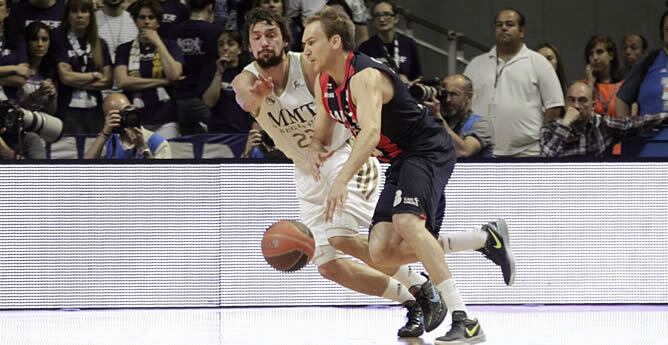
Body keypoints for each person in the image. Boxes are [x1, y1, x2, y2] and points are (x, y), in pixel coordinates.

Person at [303, 7, 515, 344]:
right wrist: (314, 146)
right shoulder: (324, 83)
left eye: (312, 41)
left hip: (426, 147)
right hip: (401, 159)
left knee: (407, 223)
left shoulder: (364, 76)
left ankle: (466, 319)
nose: (307, 49)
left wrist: (341, 180)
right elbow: (322, 129)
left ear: (335, 41)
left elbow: (370, 134)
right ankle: (484, 239)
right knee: (382, 252)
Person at [232, 8, 448, 338]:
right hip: (306, 171)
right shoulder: (246, 77)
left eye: (271, 35)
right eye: (256, 37)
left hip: (345, 157)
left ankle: (433, 280)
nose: (264, 42)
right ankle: (413, 298)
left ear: (286, 39)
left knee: (347, 238)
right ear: (248, 45)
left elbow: (353, 80)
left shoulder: (307, 64)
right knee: (329, 266)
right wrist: (255, 96)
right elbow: (244, 96)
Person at [464, 8, 563, 157]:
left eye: (509, 24)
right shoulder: (476, 64)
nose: (503, 28)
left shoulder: (539, 62)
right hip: (481, 150)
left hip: (528, 151)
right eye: (499, 25)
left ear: (522, 31)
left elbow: (554, 107)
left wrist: (539, 137)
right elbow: (463, 103)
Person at [541, 81, 668, 158]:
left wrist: (664, 116)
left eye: (582, 100)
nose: (576, 105)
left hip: (596, 190)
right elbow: (545, 160)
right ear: (565, 103)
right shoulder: (549, 130)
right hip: (563, 189)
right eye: (571, 100)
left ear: (593, 106)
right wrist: (565, 124)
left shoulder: (603, 125)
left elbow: (634, 123)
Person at [114, 0, 183, 139]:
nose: (146, 22)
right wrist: (162, 82)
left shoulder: (170, 46)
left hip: (166, 118)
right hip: (135, 119)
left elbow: (174, 74)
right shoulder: (124, 49)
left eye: (151, 18)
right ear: (135, 21)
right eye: (142, 17)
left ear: (158, 22)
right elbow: (122, 81)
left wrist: (157, 42)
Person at [54, 0, 113, 135]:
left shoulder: (100, 44)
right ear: (68, 16)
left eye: (84, 11)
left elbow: (108, 80)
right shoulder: (59, 40)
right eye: (74, 11)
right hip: (67, 111)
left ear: (91, 15)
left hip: (94, 111)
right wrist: (94, 75)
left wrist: (77, 81)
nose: (79, 16)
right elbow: (66, 78)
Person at [616, 10, 668, 157]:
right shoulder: (650, 61)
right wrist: (627, 133)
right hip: (650, 146)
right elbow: (622, 98)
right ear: (662, 33)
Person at [169, 0, 222, 135]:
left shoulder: (173, 32)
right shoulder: (216, 31)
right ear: (210, 6)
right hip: (205, 101)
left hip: (177, 99)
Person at [424, 74, 494, 158]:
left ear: (468, 97)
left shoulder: (481, 124)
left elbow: (463, 151)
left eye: (454, 94)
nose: (447, 100)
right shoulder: (433, 121)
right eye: (445, 94)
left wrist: (437, 115)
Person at [84, 92, 171, 158]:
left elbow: (160, 178)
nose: (123, 117)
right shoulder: (108, 141)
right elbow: (86, 169)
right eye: (116, 115)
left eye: (126, 111)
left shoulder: (158, 143)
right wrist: (104, 134)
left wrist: (143, 149)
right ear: (107, 118)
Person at [358, 0, 421, 84]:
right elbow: (360, 80)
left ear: (396, 19)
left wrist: (409, 83)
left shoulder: (409, 43)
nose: (381, 19)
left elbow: (418, 77)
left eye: (386, 14)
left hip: (405, 94)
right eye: (377, 15)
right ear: (373, 21)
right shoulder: (365, 48)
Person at [202, 30, 253, 133]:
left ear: (240, 49)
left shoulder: (250, 73)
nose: (225, 48)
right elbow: (208, 102)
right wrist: (219, 73)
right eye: (221, 45)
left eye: (231, 44)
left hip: (244, 132)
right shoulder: (211, 71)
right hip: (218, 132)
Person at [584, 35, 623, 117]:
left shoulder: (623, 85)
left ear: (611, 55)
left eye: (599, 52)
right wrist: (590, 83)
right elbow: (584, 112)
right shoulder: (583, 86)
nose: (595, 57)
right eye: (591, 54)